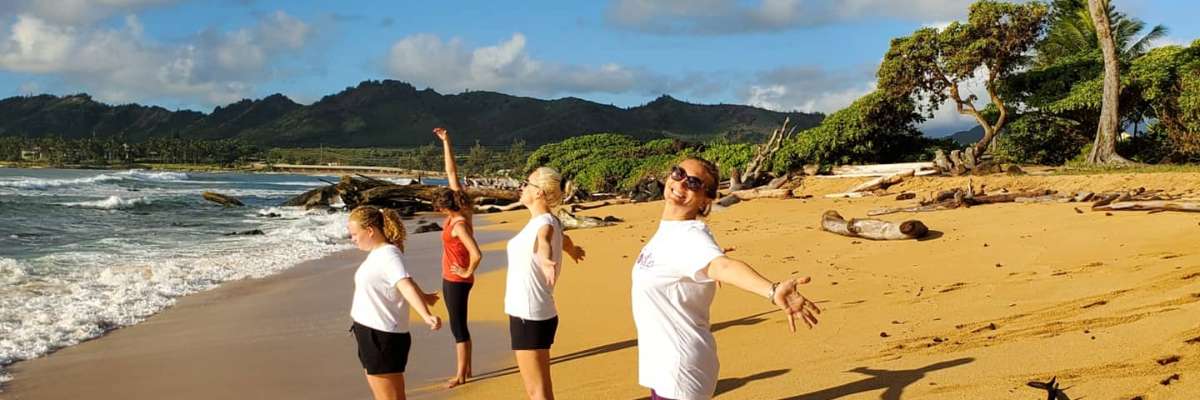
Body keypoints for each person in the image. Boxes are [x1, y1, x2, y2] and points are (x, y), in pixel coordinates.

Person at [631, 157, 822, 400]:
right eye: (678, 173)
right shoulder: (672, 231)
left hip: (679, 371)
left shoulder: (689, 237)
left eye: (693, 183)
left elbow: (722, 267)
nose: (681, 184)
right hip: (666, 366)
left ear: (706, 199)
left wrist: (772, 291)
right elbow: (703, 263)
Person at [504, 166, 584, 400]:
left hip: (529, 314)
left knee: (536, 390)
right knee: (540, 387)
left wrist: (546, 258)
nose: (522, 187)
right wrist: (572, 250)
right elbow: (564, 239)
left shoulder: (545, 224)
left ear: (539, 192)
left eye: (526, 183)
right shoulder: (549, 221)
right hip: (535, 312)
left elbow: (545, 239)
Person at [347, 205, 442, 400]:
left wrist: (426, 316)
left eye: (354, 234)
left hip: (380, 335)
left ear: (370, 230)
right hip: (373, 333)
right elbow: (405, 281)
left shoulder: (388, 254)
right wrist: (424, 296)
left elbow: (404, 284)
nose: (352, 239)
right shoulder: (380, 253)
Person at [431, 127, 484, 388]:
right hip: (454, 277)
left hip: (457, 279)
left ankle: (461, 375)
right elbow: (451, 172)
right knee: (459, 324)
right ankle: (468, 369)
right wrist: (446, 142)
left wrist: (465, 271)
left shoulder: (459, 223)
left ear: (445, 207)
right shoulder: (460, 207)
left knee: (458, 327)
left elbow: (476, 253)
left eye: (439, 209)